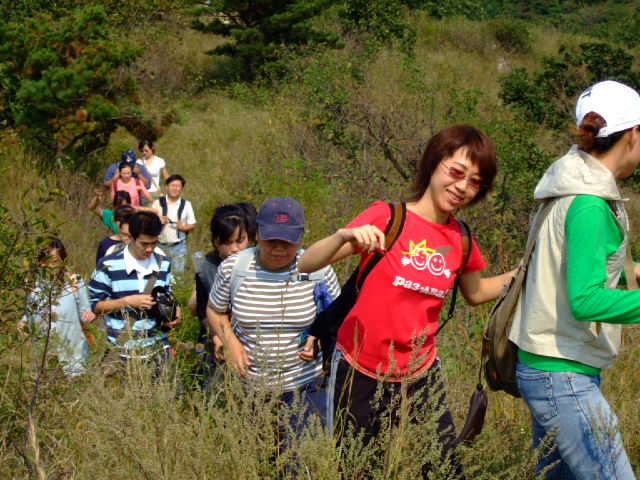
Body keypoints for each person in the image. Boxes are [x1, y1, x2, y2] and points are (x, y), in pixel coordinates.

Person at [297, 125, 513, 476]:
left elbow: (476, 293)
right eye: (456, 172)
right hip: (359, 369)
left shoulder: (461, 238)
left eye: (475, 182)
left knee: (443, 468)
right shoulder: (387, 217)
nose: (462, 187)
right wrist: (343, 236)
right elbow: (306, 263)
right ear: (434, 163)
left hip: (420, 372)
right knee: (359, 469)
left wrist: (524, 271)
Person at [509, 80, 640, 480]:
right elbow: (585, 299)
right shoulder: (588, 203)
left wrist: (632, 272)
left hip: (551, 366)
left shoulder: (569, 184)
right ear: (633, 134)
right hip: (562, 374)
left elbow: (573, 267)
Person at [207, 197, 340, 429]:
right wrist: (230, 342)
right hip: (250, 387)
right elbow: (215, 310)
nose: (279, 248)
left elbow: (337, 317)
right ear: (257, 234)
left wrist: (320, 339)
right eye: (271, 240)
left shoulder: (318, 268)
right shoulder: (234, 268)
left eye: (288, 241)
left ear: (300, 237)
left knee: (302, 452)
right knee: (255, 451)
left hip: (306, 385)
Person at [89, 211, 181, 372]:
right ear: (131, 238)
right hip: (121, 351)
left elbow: (167, 294)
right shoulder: (108, 265)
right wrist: (127, 302)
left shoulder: (164, 263)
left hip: (158, 349)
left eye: (154, 243)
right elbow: (95, 306)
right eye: (144, 244)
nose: (150, 249)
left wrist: (175, 311)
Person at [187, 203, 255, 376]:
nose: (235, 249)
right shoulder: (206, 268)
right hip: (220, 337)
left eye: (240, 241)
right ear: (216, 241)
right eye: (228, 243)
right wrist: (216, 336)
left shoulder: (257, 261)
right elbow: (202, 308)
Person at [21, 238, 95, 377]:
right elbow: (29, 314)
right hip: (44, 357)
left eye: (54, 261)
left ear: (63, 260)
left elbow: (85, 312)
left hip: (73, 358)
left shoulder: (75, 282)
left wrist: (88, 315)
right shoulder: (33, 286)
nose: (50, 266)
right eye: (45, 261)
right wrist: (23, 324)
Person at [151, 174, 196, 275]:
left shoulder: (186, 204)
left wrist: (183, 228)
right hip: (160, 245)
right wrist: (158, 222)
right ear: (167, 186)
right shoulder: (157, 203)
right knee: (160, 274)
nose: (175, 188)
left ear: (182, 188)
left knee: (178, 275)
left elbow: (192, 224)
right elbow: (149, 224)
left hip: (179, 246)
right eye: (172, 185)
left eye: (178, 186)